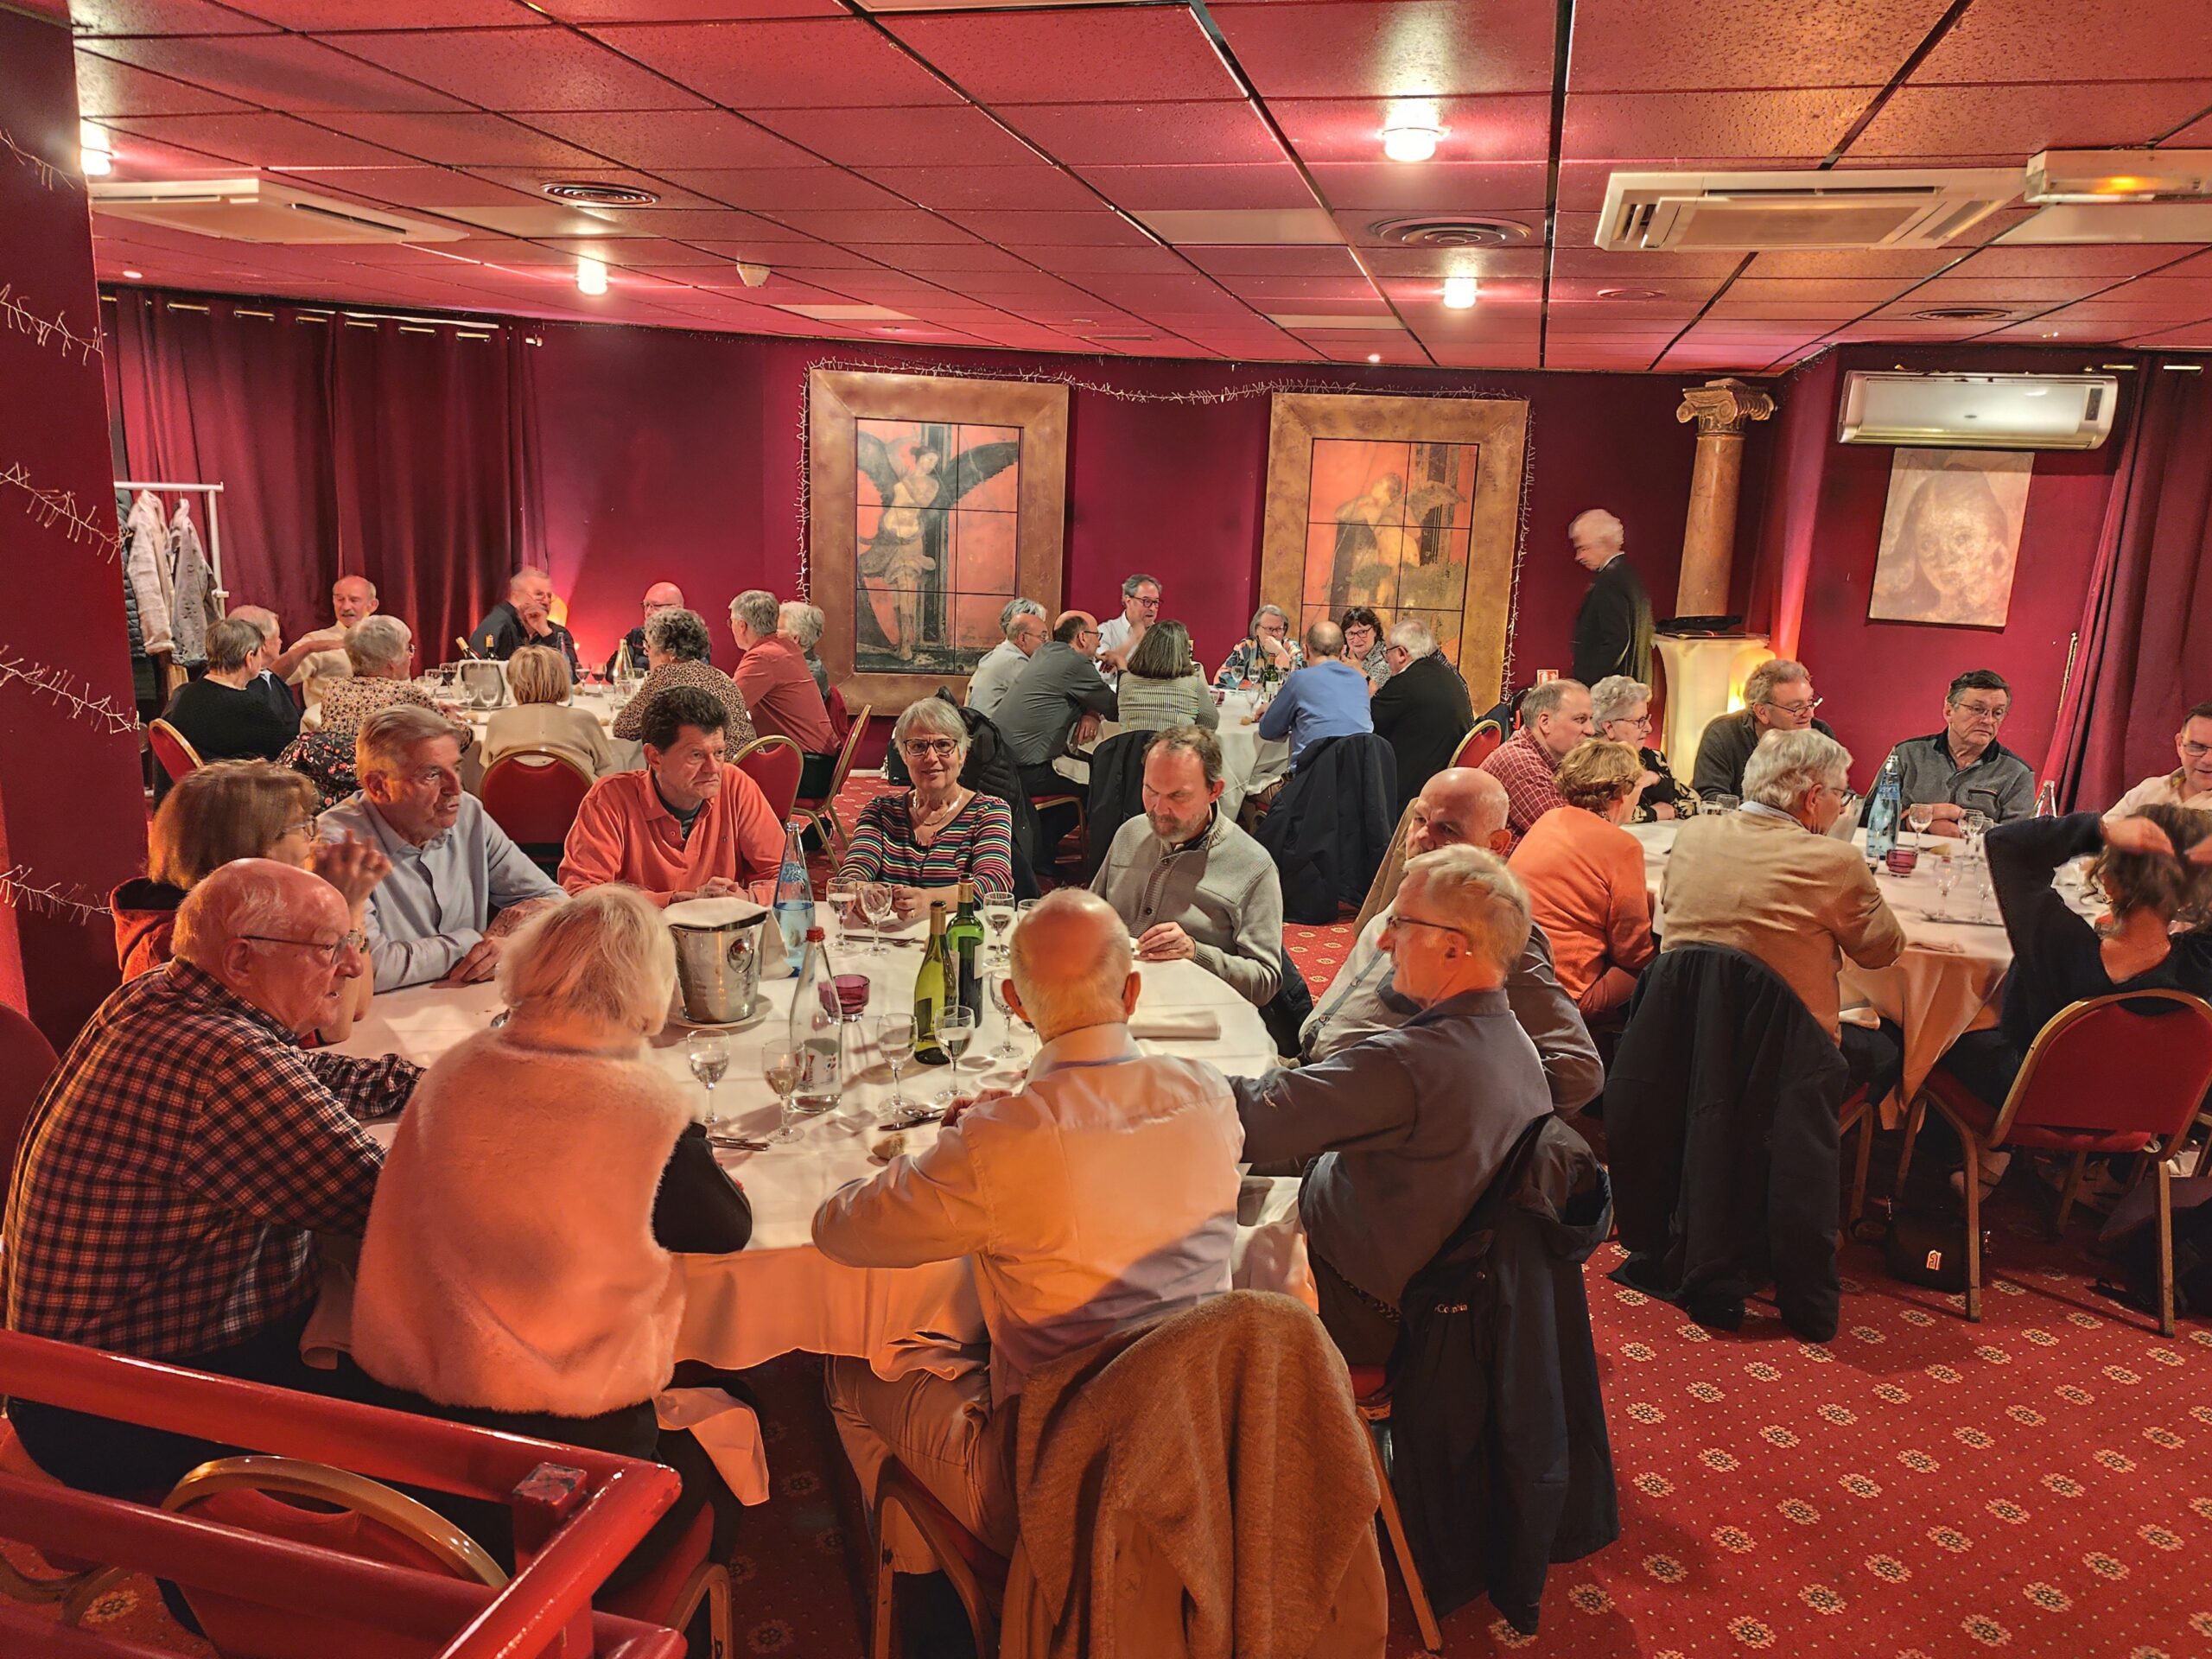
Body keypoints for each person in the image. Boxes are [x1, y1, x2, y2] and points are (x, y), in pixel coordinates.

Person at [811, 889, 1245, 1567]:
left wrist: (963, 1146)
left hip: (1057, 1478)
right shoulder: (1209, 1094)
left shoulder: (1002, 1143)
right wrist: (999, 1130)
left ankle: (930, 1589)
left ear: (1013, 1003)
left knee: (846, 1373)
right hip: (1203, 1444)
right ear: (1132, 992)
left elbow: (839, 1231)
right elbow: (1113, 1159)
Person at [348, 886, 751, 1590]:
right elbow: (726, 1226)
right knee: (732, 1455)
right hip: (560, 1481)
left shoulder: (454, 1070)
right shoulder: (644, 1106)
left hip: (418, 1457)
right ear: (651, 987)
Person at [3, 861, 416, 1496]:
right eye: (331, 948)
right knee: (431, 1402)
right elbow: (397, 1209)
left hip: (61, 1380)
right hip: (124, 1409)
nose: (353, 965)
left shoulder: (161, 994)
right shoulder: (223, 1058)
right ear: (242, 959)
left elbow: (299, 1076)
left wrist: (423, 1084)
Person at [1235, 845, 1554, 1363]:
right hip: (1434, 1291)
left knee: (1170, 1262)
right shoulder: (1516, 1043)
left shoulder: (1413, 1062)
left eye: (1400, 924)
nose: (1383, 941)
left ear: (1452, 948)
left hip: (1355, 1299)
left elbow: (1253, 1119)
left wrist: (1148, 1077)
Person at [1938, 804, 2212, 1197]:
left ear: (2109, 883)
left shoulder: (2056, 942)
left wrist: (2098, 830)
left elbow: (2006, 843)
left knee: (1941, 1037)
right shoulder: (2200, 965)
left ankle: (1979, 1151)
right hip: (2134, 1112)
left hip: (2031, 1098)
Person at [1300, 767, 1604, 1114]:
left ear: (1495, 845)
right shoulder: (1418, 887)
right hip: (1312, 1076)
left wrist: (1453, 1120)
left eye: (1448, 829)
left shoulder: (1492, 931)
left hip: (1360, 1115)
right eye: (1420, 819)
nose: (1423, 837)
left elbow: (1577, 1071)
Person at [1657, 728, 1906, 1096]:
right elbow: (1882, 952)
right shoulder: (1836, 861)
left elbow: (1668, 905)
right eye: (1841, 794)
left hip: (1684, 1034)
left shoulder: (1693, 833)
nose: (1842, 808)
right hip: (1784, 1058)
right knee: (1893, 1044)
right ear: (1814, 797)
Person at [112, 760, 384, 1042]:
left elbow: (357, 1008)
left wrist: (352, 909)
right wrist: (347, 904)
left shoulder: (251, 910)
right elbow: (332, 1029)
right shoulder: (182, 939)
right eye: (302, 825)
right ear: (252, 844)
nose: (313, 839)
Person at [321, 705, 563, 989]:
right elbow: (369, 967)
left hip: (469, 1003)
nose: (455, 788)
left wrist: (512, 942)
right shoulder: (336, 846)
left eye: (456, 768)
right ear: (378, 787)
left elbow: (555, 901)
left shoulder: (468, 815)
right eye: (432, 775)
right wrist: (477, 941)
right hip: (385, 1012)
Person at [1092, 726, 1282, 1007]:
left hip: (1192, 1010)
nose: (1159, 810)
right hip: (1112, 998)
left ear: (1214, 791)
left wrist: (1195, 953)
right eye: (1151, 790)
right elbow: (1091, 916)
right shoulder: (1130, 833)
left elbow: (1265, 983)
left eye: (1178, 796)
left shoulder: (1252, 865)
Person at [560, 685, 782, 906]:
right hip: (641, 928)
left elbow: (787, 876)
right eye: (696, 755)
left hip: (724, 926)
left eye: (719, 753)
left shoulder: (735, 785)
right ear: (654, 757)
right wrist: (671, 901)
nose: (713, 768)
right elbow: (581, 892)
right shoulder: (611, 798)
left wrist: (748, 897)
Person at [1507, 739, 1656, 1015]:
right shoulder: (1623, 846)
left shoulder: (1549, 819)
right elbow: (1632, 951)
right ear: (1622, 793)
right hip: (1562, 994)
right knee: (1659, 970)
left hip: (1509, 974)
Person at [834, 696, 1015, 917]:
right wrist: (859, 890)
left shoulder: (989, 812)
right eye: (918, 746)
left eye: (943, 745)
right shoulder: (881, 812)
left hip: (957, 933)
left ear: (962, 755)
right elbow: (853, 871)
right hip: (890, 934)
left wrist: (928, 900)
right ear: (904, 756)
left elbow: (994, 884)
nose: (931, 757)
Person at [283, 615, 444, 810]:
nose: (411, 655)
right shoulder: (406, 693)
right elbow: (454, 738)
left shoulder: (335, 687)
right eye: (407, 649)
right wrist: (453, 719)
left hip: (335, 792)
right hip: (386, 793)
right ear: (391, 664)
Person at [1871, 669, 2036, 830]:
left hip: (1976, 849)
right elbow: (1869, 817)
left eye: (1998, 713)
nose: (1988, 720)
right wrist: (1928, 819)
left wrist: (1959, 824)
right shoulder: (1906, 755)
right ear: (1949, 711)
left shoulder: (2018, 773)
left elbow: (2018, 837)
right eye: (1978, 710)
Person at [996, 610, 1118, 812]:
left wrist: (1091, 712)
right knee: (1104, 786)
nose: (1098, 643)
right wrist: (1121, 666)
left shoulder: (1045, 652)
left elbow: (1069, 690)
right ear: (1082, 637)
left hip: (1001, 765)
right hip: (1028, 770)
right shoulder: (1076, 663)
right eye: (1097, 636)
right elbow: (1116, 709)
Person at [157, 614, 300, 768]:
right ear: (249, 658)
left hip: (200, 779)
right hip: (232, 781)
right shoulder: (248, 708)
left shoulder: (187, 693)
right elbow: (291, 752)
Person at [728, 588, 836, 791]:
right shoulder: (784, 647)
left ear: (742, 625)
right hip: (817, 761)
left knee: (720, 773)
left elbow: (726, 705)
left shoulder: (763, 656)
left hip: (804, 767)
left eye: (731, 622)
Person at [610, 607, 755, 748]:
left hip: (716, 762)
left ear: (670, 652)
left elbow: (623, 727)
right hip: (751, 759)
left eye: (648, 646)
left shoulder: (666, 675)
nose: (646, 653)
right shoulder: (721, 676)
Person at [1691, 658, 1835, 800]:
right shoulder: (1724, 734)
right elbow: (1712, 799)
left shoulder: (1820, 733)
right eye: (1796, 707)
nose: (1810, 714)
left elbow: (1836, 793)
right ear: (1762, 712)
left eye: (1810, 702)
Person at [1371, 617, 1473, 816]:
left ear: (1401, 654)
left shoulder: (1405, 683)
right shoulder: (1445, 673)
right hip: (1441, 777)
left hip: (1412, 790)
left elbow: (1368, 724)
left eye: (1387, 652)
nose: (1386, 659)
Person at [1478, 677, 1593, 849]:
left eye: (1591, 719)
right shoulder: (1520, 764)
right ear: (1545, 723)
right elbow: (1575, 840)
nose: (1591, 730)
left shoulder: (1550, 759)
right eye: (1580, 720)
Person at [482, 643, 620, 779]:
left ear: (513, 681)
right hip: (573, 793)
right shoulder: (584, 720)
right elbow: (606, 772)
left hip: (512, 793)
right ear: (562, 679)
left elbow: (486, 767)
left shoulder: (498, 720)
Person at [1255, 620, 1373, 768]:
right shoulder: (1360, 682)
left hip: (1312, 777)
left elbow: (1267, 730)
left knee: (1258, 781)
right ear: (1343, 650)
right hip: (1358, 776)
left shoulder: (1299, 680)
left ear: (1305, 650)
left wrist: (1273, 709)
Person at [1591, 674, 1695, 823]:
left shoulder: (1652, 759)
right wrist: (1653, 813)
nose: (1649, 728)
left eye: (1646, 719)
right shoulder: (1587, 764)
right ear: (1609, 727)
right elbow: (1602, 815)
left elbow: (1697, 805)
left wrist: (1657, 780)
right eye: (1639, 721)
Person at [1568, 507, 1653, 688]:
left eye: (1584, 548)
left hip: (1610, 690)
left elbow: (1617, 639)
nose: (1579, 557)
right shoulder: (1628, 575)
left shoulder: (1610, 580)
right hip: (1629, 686)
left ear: (1605, 543)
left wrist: (1585, 681)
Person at [2105, 699, 2212, 821]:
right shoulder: (2149, 789)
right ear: (2179, 745)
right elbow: (2098, 831)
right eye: (2197, 747)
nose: (2208, 760)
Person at [468, 568, 581, 678]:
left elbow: (572, 677)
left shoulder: (559, 633)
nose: (546, 601)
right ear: (516, 597)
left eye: (549, 596)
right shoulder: (502, 625)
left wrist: (545, 632)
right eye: (539, 594)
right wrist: (509, 609)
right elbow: (476, 659)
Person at [232, 604, 342, 712]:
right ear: (264, 645)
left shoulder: (251, 681)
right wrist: (309, 647)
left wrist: (309, 648)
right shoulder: (253, 693)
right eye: (277, 637)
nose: (280, 642)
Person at [1114, 620, 1217, 733]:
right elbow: (1210, 723)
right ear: (1183, 651)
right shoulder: (1192, 684)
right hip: (1176, 743)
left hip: (1131, 744)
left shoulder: (1126, 680)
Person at [290, 574, 378, 707]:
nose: (346, 607)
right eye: (340, 599)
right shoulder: (315, 642)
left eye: (354, 600)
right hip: (328, 718)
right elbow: (278, 677)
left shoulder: (386, 639)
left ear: (372, 605)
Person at [966, 599, 1046, 720]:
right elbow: (1039, 703)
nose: (1045, 641)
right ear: (1023, 636)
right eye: (1042, 635)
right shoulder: (1015, 661)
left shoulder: (995, 655)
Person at [607, 581, 683, 678]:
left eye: (656, 606)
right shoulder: (636, 636)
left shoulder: (690, 639)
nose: (648, 612)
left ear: (677, 609)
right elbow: (613, 673)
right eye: (646, 606)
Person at [1216, 603, 1302, 689]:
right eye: (1270, 629)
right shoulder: (1247, 647)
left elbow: (1300, 683)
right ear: (1257, 629)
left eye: (1279, 629)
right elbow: (1221, 678)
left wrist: (1280, 652)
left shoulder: (1291, 647)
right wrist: (1254, 687)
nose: (1275, 634)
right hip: (1252, 697)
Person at [1095, 573, 1161, 672]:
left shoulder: (1162, 635)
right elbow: (1103, 674)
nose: (1152, 608)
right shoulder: (1106, 631)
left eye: (1156, 602)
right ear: (1128, 601)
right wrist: (1132, 639)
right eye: (1146, 601)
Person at [779, 600, 833, 702]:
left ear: (795, 638)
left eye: (776, 630)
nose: (771, 635)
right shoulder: (784, 663)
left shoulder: (810, 676)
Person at [1340, 606, 1390, 690]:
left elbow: (1377, 695)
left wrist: (1358, 670)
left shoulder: (1387, 659)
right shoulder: (1342, 655)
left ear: (1375, 630)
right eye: (1351, 634)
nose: (1356, 640)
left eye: (1362, 632)